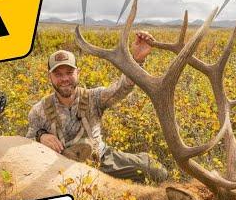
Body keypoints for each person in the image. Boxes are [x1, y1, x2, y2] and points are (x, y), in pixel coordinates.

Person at [25, 31, 168, 183]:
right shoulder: (38, 110)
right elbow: (26, 146)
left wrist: (136, 60)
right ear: (49, 77)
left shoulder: (95, 97)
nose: (65, 78)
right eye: (58, 74)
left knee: (156, 171)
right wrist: (40, 136)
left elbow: (122, 88)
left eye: (69, 72)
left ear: (78, 73)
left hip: (101, 160)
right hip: (59, 170)